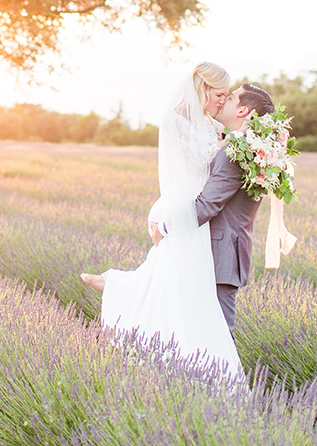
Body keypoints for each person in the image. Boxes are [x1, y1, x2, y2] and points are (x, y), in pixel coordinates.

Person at [81, 62, 242, 377]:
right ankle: (119, 292)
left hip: (199, 212)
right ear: (203, 88)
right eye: (219, 94)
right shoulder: (175, 119)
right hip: (185, 209)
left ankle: (115, 285)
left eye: (226, 95)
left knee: (179, 282)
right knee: (179, 281)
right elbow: (202, 159)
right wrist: (235, 142)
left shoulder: (211, 124)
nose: (222, 101)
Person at [152, 82, 274, 338]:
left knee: (219, 335)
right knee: (202, 331)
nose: (223, 101)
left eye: (230, 98)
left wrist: (165, 228)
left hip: (221, 253)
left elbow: (208, 204)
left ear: (242, 111)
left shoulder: (236, 153)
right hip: (218, 251)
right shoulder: (247, 148)